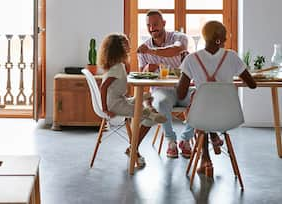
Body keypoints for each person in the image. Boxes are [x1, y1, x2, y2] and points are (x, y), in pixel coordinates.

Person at [177, 20, 256, 175]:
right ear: (218, 39)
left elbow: (180, 94)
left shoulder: (191, 59)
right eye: (225, 36)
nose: (226, 40)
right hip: (228, 116)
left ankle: (205, 159)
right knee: (205, 110)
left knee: (198, 109)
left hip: (202, 116)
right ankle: (212, 142)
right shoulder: (232, 57)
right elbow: (252, 84)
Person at [98, 33, 167, 168]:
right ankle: (150, 114)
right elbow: (103, 87)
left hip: (120, 99)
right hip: (115, 104)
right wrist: (105, 109)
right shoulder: (117, 68)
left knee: (144, 96)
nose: (130, 46)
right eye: (127, 44)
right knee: (141, 110)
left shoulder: (118, 65)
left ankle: (146, 107)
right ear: (121, 48)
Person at [137, 10, 193, 158]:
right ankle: (171, 142)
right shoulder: (143, 48)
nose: (151, 28)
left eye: (155, 24)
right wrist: (146, 68)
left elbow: (176, 49)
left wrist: (152, 51)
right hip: (162, 90)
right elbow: (141, 73)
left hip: (184, 88)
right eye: (148, 25)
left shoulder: (179, 37)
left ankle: (186, 140)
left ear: (164, 23)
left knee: (200, 100)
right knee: (160, 103)